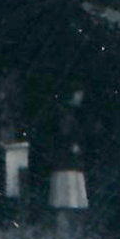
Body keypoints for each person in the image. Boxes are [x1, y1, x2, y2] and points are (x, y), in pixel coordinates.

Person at [49, 89, 89, 223]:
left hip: (69, 163)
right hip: (66, 164)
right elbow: (65, 135)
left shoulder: (70, 114)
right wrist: (73, 145)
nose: (81, 98)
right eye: (78, 94)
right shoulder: (65, 115)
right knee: (66, 201)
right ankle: (64, 230)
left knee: (69, 201)